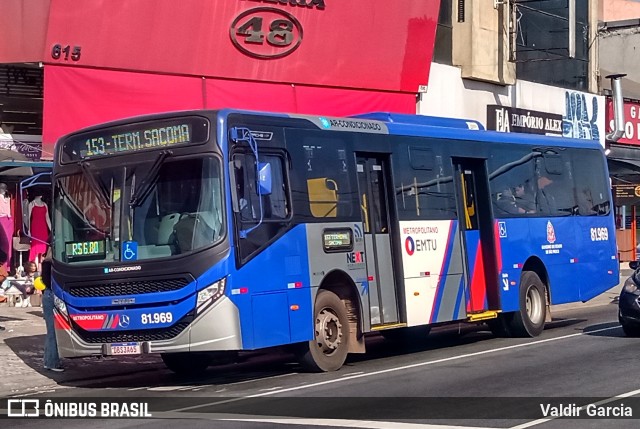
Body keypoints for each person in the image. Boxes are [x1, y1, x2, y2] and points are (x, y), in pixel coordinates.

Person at [40, 249, 63, 372]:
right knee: (53, 331)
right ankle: (52, 363)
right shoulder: (50, 263)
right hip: (51, 295)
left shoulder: (46, 262)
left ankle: (48, 361)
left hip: (48, 295)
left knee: (51, 331)